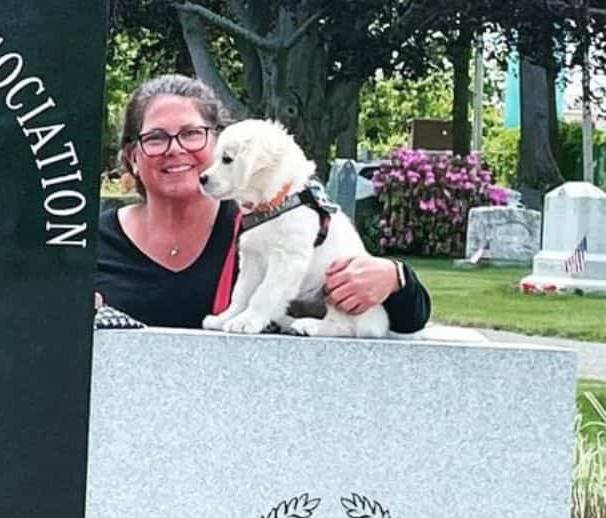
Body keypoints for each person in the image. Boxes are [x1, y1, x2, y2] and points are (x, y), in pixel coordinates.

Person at [95, 74, 429, 331]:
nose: (175, 149)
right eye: (155, 137)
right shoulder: (92, 240)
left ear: (219, 142)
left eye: (192, 134)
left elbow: (410, 319)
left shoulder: (272, 215)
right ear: (132, 157)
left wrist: (394, 278)